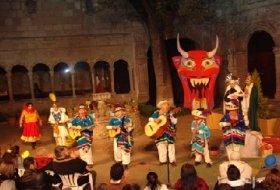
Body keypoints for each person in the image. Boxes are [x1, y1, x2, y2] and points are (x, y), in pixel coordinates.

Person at [149, 100, 178, 166]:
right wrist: (154, 120)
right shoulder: (157, 113)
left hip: (169, 132)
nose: (168, 106)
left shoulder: (170, 113)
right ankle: (162, 160)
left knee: (171, 146)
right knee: (161, 146)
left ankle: (172, 161)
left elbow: (175, 122)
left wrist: (171, 116)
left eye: (168, 105)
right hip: (160, 132)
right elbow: (150, 119)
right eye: (166, 104)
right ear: (161, 106)